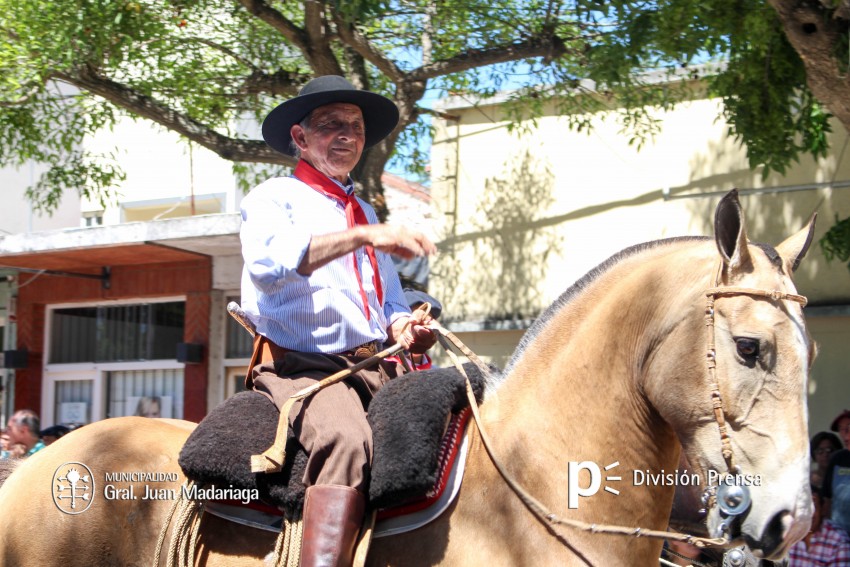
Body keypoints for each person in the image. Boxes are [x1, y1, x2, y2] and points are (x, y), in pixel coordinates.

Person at [240, 75, 437, 567]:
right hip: (302, 368)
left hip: (374, 366)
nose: (347, 134)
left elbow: (387, 302)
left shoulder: (362, 210)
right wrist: (365, 235)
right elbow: (273, 265)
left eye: (355, 126)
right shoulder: (272, 197)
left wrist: (404, 328)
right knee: (345, 441)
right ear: (301, 138)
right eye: (331, 125)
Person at [788, 485, 850, 566]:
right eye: (803, 507)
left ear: (823, 509)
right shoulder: (787, 535)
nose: (808, 514)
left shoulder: (839, 541)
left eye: (814, 506)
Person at [823, 409, 850, 536]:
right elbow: (827, 499)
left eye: (849, 428)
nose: (845, 434)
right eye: (841, 429)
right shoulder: (837, 459)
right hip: (839, 536)